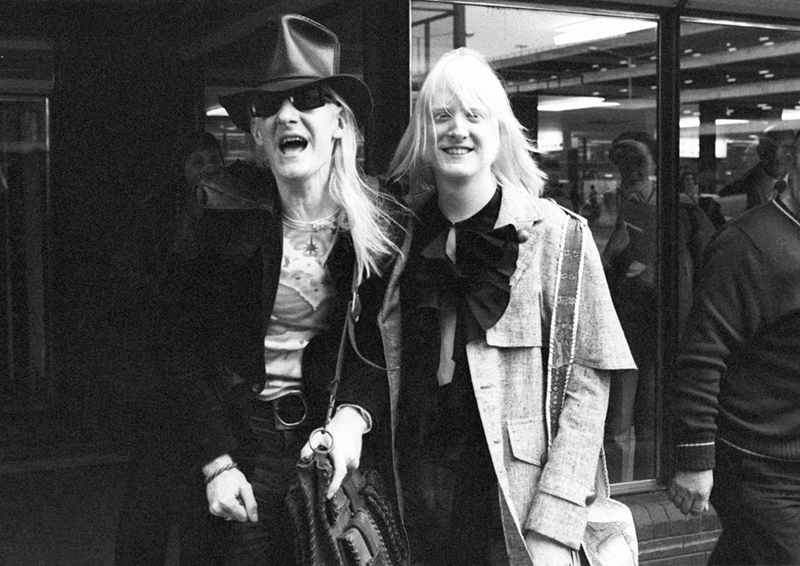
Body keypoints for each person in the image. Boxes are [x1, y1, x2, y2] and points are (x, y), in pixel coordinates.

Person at [385, 48, 636, 566]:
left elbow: (588, 383)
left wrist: (555, 523)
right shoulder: (398, 238)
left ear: (499, 131)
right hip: (416, 502)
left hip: (514, 509)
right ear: (424, 134)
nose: (457, 129)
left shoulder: (557, 236)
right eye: (442, 115)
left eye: (474, 115)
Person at [172, 15, 401, 566]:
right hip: (241, 452)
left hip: (328, 450)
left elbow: (385, 344)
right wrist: (216, 462)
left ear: (340, 123)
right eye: (269, 106)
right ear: (256, 133)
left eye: (307, 99)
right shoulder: (218, 214)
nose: (287, 115)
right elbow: (179, 346)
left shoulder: (378, 227)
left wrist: (353, 418)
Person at [668, 133, 800, 565]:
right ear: (794, 162)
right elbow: (701, 356)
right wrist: (694, 458)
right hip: (758, 465)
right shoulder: (746, 244)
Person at [601, 133, 714, 482]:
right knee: (617, 421)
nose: (631, 172)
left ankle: (647, 481)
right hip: (624, 327)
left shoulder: (682, 211)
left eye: (638, 163)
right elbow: (604, 272)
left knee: (651, 415)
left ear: (653, 165)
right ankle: (618, 485)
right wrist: (613, 251)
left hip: (662, 327)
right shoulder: (618, 208)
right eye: (624, 165)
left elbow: (705, 265)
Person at [719, 126, 794, 211]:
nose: (777, 155)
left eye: (786, 147)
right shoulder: (733, 192)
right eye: (771, 148)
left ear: (795, 151)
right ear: (760, 151)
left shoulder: (797, 186)